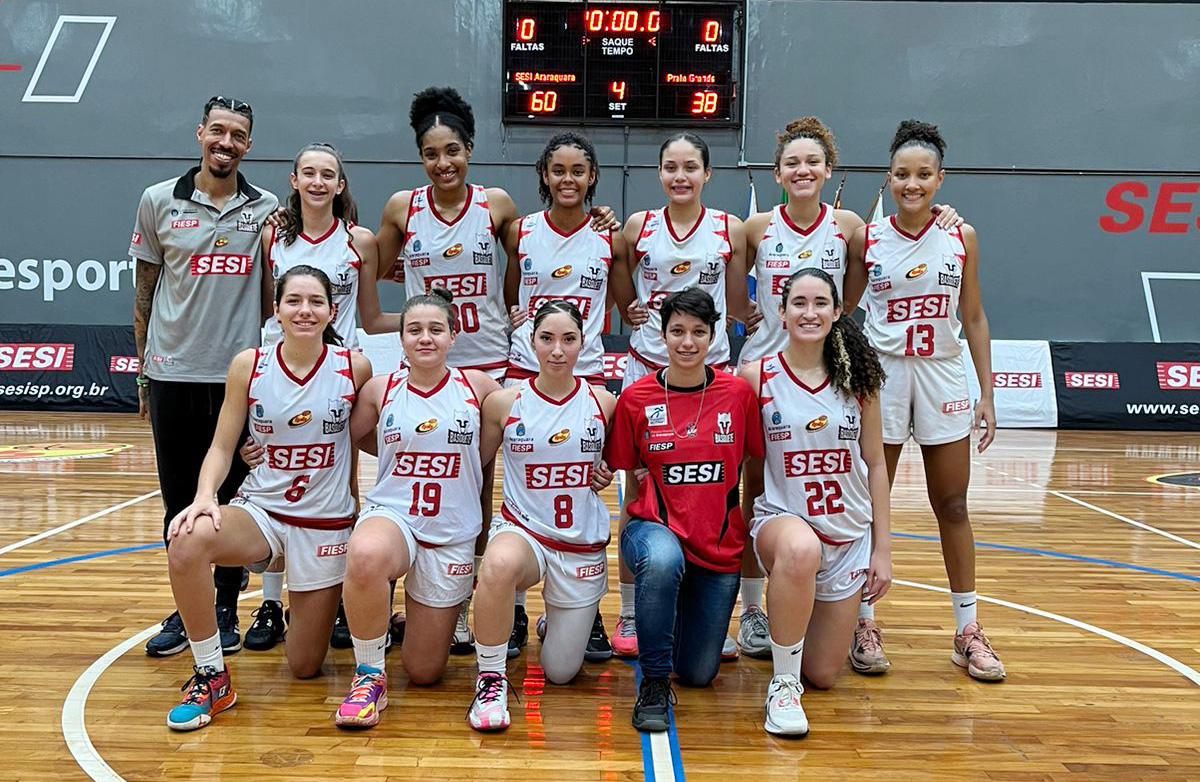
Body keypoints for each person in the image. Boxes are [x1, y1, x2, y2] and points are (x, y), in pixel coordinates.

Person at [374, 87, 617, 655]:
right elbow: (373, 263)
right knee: (420, 471)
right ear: (420, 158)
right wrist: (417, 297)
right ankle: (426, 599)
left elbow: (550, 248)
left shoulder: (500, 207)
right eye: (431, 153)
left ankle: (515, 598)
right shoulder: (401, 207)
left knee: (495, 481)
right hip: (428, 353)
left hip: (488, 356)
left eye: (452, 150)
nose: (443, 162)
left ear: (470, 150)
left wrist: (597, 214)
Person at [738, 118, 962, 668]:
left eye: (813, 162)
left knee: (841, 477)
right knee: (753, 491)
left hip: (825, 369)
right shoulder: (756, 228)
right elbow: (733, 290)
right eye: (792, 162)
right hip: (764, 372)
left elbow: (870, 274)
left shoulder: (849, 227)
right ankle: (751, 610)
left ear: (828, 170)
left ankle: (835, 605)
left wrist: (945, 215)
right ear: (777, 173)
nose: (803, 170)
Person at [161, 266, 371, 730]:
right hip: (264, 511)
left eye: (316, 301)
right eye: (293, 300)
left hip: (324, 522)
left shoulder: (353, 367)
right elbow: (221, 444)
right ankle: (212, 674)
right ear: (275, 310)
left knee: (304, 666)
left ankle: (309, 604)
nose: (304, 310)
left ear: (332, 310)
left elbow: (362, 444)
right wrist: (203, 496)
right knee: (187, 538)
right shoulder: (248, 364)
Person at [847, 119, 1003, 681]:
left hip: (941, 373)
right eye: (902, 175)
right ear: (888, 178)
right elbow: (842, 309)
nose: (912, 184)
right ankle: (863, 621)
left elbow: (975, 317)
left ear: (941, 179)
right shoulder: (868, 237)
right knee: (870, 505)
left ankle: (967, 629)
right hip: (883, 375)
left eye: (923, 175)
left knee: (953, 504)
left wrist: (987, 393)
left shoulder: (963, 236)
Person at [130, 96, 279, 657]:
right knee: (178, 500)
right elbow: (144, 293)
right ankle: (188, 605)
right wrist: (143, 374)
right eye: (217, 131)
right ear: (200, 134)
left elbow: (276, 293)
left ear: (248, 145)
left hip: (237, 377)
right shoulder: (157, 201)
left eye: (237, 135)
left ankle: (225, 604)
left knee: (233, 497)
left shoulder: (266, 210)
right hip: (171, 372)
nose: (226, 142)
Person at [244, 142, 401, 652]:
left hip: (339, 374)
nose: (316, 182)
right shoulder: (273, 234)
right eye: (307, 173)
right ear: (293, 180)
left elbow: (373, 319)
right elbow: (267, 311)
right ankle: (271, 601)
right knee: (272, 479)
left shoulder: (360, 240)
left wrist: (446, 320)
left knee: (341, 484)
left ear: (340, 184)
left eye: (327, 174)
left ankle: (330, 598)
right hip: (279, 373)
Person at [612, 132, 754, 660]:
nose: (680, 176)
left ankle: (718, 611)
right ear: (659, 173)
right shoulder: (636, 227)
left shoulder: (730, 228)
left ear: (708, 173)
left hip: (711, 372)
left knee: (716, 490)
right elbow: (618, 281)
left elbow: (738, 299)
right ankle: (630, 610)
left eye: (690, 166)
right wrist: (628, 308)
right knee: (641, 489)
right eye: (670, 166)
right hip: (650, 368)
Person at [334, 289, 501, 729]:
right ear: (402, 339)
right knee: (366, 553)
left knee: (424, 672)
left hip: (451, 531)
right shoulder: (379, 390)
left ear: (453, 335)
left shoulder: (480, 388)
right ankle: (369, 675)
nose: (424, 338)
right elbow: (341, 438)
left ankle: (408, 611)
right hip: (395, 515)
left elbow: (519, 442)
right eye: (414, 330)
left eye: (435, 329)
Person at [739, 268, 891, 736]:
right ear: (780, 313)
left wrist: (881, 550)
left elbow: (877, 465)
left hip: (847, 535)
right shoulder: (754, 377)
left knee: (823, 674)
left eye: (820, 303)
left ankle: (798, 644)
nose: (810, 312)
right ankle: (783, 684)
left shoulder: (859, 381)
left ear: (837, 311)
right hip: (782, 523)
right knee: (800, 549)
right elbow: (736, 464)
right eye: (798, 303)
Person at [605, 287, 764, 732]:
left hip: (717, 547)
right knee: (661, 559)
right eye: (677, 331)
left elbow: (752, 466)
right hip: (654, 531)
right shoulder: (636, 397)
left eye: (698, 332)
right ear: (663, 336)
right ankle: (653, 682)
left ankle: (672, 619)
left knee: (698, 674)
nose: (687, 342)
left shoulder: (737, 395)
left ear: (714, 337)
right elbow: (628, 474)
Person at [501, 131, 634, 660]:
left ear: (593, 176)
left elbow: (626, 299)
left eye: (578, 170)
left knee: (583, 478)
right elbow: (509, 293)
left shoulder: (609, 236)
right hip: (526, 363)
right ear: (544, 175)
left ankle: (583, 605)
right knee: (518, 480)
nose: (568, 179)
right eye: (558, 170)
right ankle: (512, 609)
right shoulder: (520, 232)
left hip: (590, 367)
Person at [467, 300, 617, 731]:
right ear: (530, 342)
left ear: (582, 344)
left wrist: (605, 471)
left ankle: (558, 617)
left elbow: (617, 463)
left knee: (561, 673)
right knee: (498, 564)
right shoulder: (503, 402)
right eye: (547, 339)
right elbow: (471, 466)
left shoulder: (603, 403)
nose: (557, 350)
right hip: (524, 531)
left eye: (568, 339)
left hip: (579, 546)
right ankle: (491, 677)